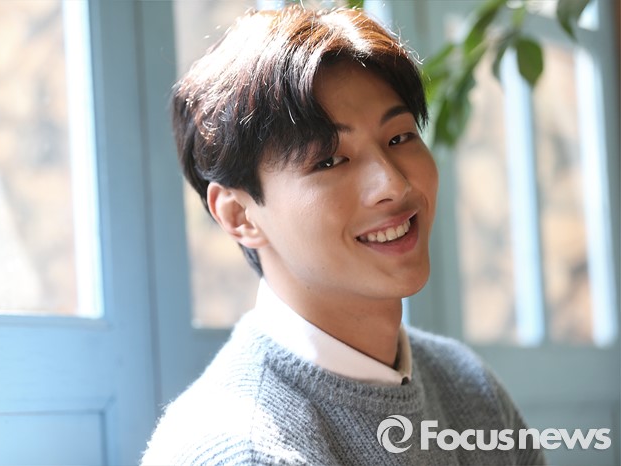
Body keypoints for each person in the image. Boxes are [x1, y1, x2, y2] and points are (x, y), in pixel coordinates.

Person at [141, 6, 545, 465]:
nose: (394, 185)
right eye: (330, 161)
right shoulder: (241, 451)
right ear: (239, 215)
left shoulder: (469, 388)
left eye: (399, 138)